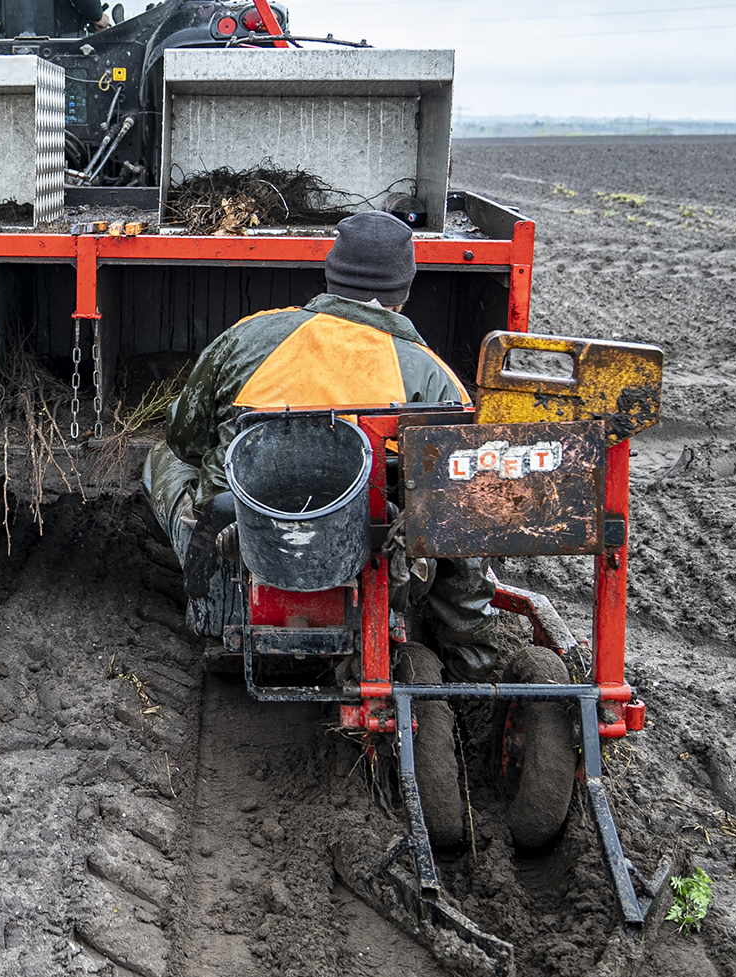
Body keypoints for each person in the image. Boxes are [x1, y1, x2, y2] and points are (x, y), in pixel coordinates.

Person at [140, 211, 499, 676]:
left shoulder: (249, 336)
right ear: (405, 290)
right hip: (367, 556)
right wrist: (473, 656)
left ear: (330, 272)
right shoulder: (436, 379)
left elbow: (186, 439)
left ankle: (214, 583)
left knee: (165, 457)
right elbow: (460, 519)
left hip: (249, 539)